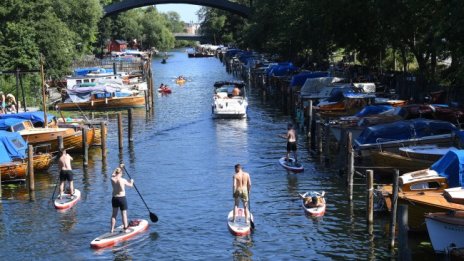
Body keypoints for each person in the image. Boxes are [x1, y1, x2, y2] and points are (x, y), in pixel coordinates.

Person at [111, 164, 134, 233]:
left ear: (116, 173)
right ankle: (125, 228)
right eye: (121, 173)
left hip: (114, 198)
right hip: (122, 198)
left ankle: (112, 229)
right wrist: (132, 181)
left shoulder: (112, 179)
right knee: (124, 214)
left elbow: (113, 174)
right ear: (120, 173)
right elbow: (131, 186)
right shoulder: (123, 180)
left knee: (114, 215)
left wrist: (119, 167)